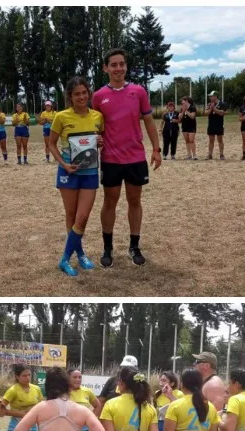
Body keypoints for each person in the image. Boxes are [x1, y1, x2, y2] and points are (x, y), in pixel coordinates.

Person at [92, 48, 162, 269]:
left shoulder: (139, 92)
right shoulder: (98, 96)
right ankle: (107, 248)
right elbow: (93, 126)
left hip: (135, 158)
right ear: (106, 68)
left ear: (126, 66)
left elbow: (149, 122)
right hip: (111, 158)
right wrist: (95, 139)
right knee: (110, 202)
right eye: (113, 64)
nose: (118, 68)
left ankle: (134, 246)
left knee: (134, 201)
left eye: (122, 64)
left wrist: (156, 149)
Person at [49, 76, 104, 277]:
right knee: (71, 216)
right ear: (70, 97)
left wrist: (100, 141)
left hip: (90, 173)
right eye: (76, 94)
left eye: (84, 92)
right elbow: (52, 144)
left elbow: (101, 140)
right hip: (68, 172)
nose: (81, 97)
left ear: (88, 93)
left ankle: (64, 259)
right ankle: (80, 254)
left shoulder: (98, 116)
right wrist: (63, 164)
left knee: (82, 217)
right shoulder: (61, 117)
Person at [205, 90, 227, 160]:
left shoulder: (222, 104)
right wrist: (211, 109)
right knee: (211, 140)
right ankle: (210, 154)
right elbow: (206, 113)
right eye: (210, 97)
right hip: (211, 124)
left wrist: (214, 108)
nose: (210, 98)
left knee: (220, 140)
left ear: (215, 96)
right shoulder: (209, 104)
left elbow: (222, 113)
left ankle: (221, 154)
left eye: (211, 96)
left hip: (219, 124)